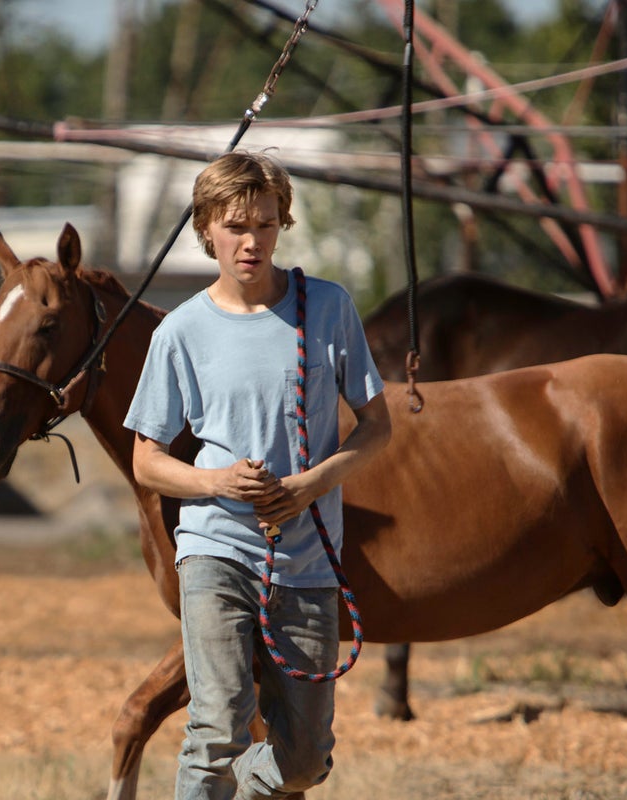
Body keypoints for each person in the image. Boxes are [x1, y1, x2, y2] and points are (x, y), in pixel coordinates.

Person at [124, 151, 391, 799]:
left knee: (304, 762)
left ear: (282, 225)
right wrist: (216, 483)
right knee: (217, 731)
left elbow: (380, 427)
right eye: (237, 226)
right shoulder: (181, 331)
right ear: (208, 229)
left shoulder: (327, 308)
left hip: (308, 562)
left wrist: (311, 485)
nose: (253, 242)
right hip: (216, 551)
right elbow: (146, 460)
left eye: (266, 226)